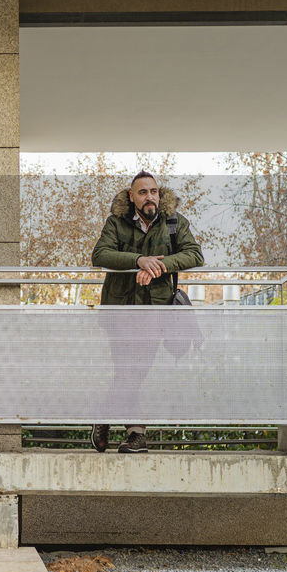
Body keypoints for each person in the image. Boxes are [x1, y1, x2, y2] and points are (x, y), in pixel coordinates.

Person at [89, 171, 205, 454]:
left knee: (134, 371)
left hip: (156, 311)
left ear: (159, 194)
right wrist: (139, 260)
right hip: (120, 310)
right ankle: (136, 435)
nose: (149, 197)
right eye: (142, 192)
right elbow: (100, 255)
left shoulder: (175, 223)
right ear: (132, 197)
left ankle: (105, 417)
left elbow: (195, 254)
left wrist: (157, 268)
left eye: (153, 191)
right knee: (126, 370)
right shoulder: (116, 223)